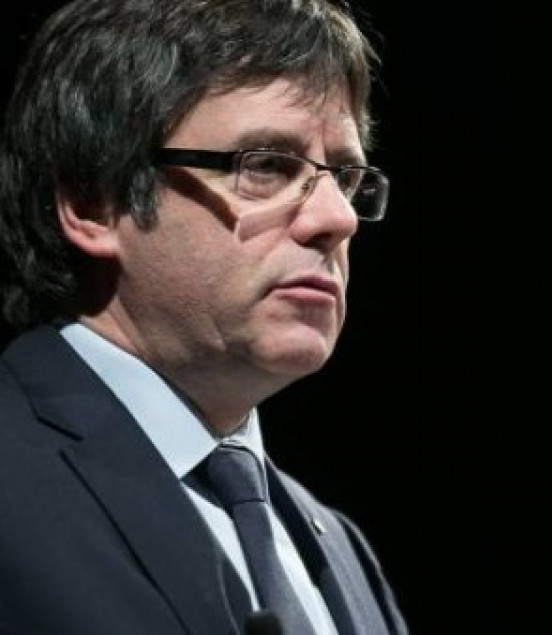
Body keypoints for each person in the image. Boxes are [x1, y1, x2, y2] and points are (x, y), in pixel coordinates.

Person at [0, 1, 408, 633]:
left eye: (346, 178)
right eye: (266, 165)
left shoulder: (341, 550)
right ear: (93, 203)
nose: (337, 218)